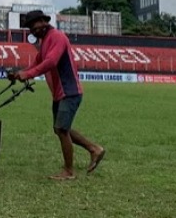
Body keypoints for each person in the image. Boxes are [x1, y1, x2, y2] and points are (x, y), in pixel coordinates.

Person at [10, 10, 106, 181]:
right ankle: (94, 149)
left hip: (69, 91)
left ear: (43, 21)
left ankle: (69, 171)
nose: (32, 30)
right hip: (59, 93)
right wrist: (19, 73)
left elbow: (51, 62)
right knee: (60, 128)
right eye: (30, 27)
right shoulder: (45, 41)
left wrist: (28, 75)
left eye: (34, 25)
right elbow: (36, 63)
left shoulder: (58, 37)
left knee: (62, 129)